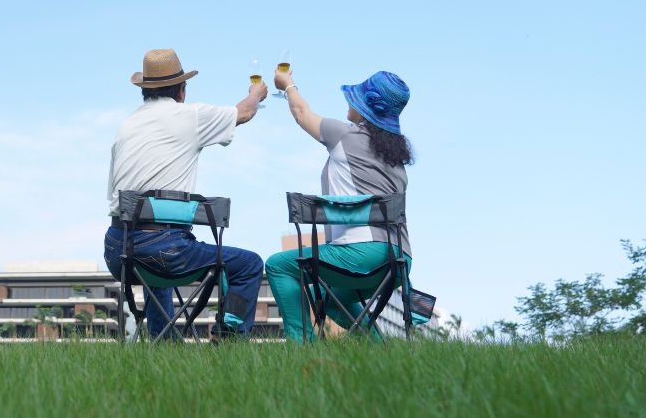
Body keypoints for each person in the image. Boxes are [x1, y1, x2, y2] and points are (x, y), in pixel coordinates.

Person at [104, 48, 268, 339]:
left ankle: (163, 342)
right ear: (181, 89)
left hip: (119, 250)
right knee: (249, 264)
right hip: (165, 251)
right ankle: (230, 338)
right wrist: (256, 92)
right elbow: (244, 112)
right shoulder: (189, 116)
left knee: (159, 266)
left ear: (145, 91)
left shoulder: (125, 127)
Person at [265, 69, 414, 341]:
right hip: (399, 261)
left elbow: (302, 114)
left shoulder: (345, 135)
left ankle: (301, 349)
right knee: (329, 298)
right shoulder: (397, 160)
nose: (350, 102)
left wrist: (287, 85)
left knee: (278, 265)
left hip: (360, 254)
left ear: (366, 107)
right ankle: (380, 351)